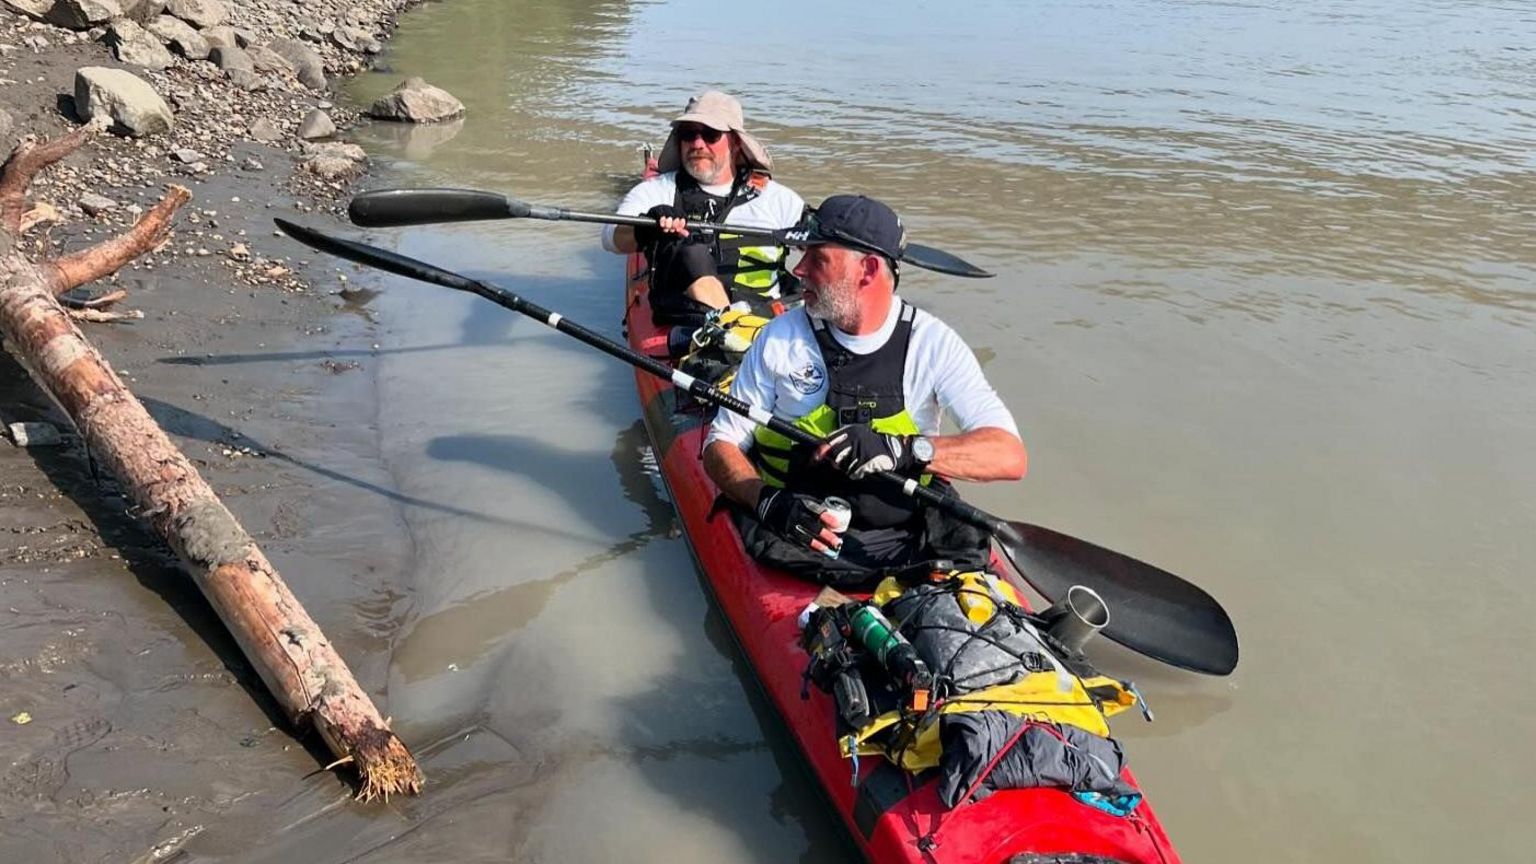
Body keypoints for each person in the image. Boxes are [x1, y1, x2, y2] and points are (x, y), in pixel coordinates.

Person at [702, 195, 1027, 583]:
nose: (799, 270)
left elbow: (1009, 457)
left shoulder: (934, 344)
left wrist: (905, 450)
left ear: (868, 269)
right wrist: (765, 500)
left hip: (906, 538)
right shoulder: (779, 338)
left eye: (817, 259)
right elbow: (720, 444)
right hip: (794, 536)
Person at [601, 90, 805, 342]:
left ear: (735, 143)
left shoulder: (780, 200)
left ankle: (741, 335)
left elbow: (820, 252)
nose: (698, 144)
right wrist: (646, 228)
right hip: (690, 328)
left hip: (766, 323)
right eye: (689, 134)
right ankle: (731, 333)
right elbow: (612, 238)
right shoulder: (658, 190)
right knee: (685, 247)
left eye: (710, 135)